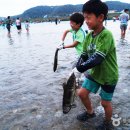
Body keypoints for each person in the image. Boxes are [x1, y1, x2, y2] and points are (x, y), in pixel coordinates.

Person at [73, 0, 118, 130]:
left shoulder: (106, 35)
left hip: (109, 76)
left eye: (88, 17)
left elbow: (98, 58)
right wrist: (77, 67)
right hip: (95, 73)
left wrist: (81, 68)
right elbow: (84, 55)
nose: (85, 21)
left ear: (100, 17)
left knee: (105, 103)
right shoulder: (88, 36)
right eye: (84, 17)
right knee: (82, 93)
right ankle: (90, 112)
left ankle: (107, 123)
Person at [57, 12, 86, 84]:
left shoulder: (80, 33)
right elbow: (66, 31)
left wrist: (63, 47)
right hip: (80, 55)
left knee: (81, 70)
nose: (71, 25)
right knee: (75, 68)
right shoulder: (74, 29)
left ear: (78, 24)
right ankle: (77, 82)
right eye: (70, 22)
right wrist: (62, 41)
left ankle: (78, 83)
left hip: (85, 55)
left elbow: (74, 45)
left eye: (72, 23)